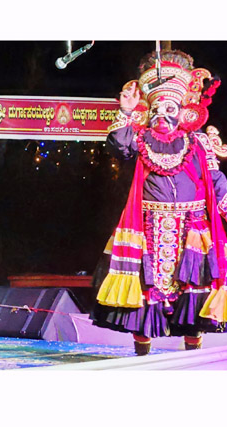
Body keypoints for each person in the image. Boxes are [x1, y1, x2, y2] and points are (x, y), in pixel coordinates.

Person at [91, 49, 227, 355]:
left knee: (193, 294)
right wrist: (125, 112)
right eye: (156, 109)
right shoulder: (140, 140)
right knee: (144, 293)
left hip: (193, 230)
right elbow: (119, 146)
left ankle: (192, 358)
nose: (162, 115)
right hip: (149, 226)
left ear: (182, 111)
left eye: (170, 108)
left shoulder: (198, 142)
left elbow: (215, 180)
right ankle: (143, 359)